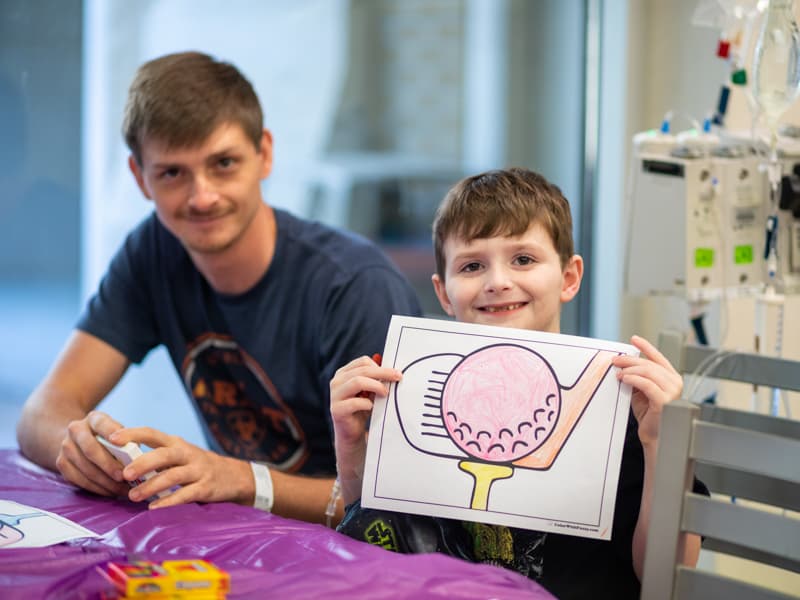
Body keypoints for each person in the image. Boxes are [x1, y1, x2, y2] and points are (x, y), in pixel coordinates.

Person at [16, 51, 421, 525]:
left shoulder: (355, 286)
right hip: (239, 539)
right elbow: (40, 413)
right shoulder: (154, 251)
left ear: (264, 154)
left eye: (223, 163)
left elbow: (395, 502)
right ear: (139, 178)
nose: (202, 196)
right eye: (172, 173)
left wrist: (244, 481)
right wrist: (81, 446)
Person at [329, 167, 706, 598]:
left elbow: (671, 573)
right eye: (472, 266)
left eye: (523, 259)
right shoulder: (413, 399)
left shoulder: (628, 408)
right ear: (444, 293)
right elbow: (380, 535)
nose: (498, 282)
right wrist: (353, 450)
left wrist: (662, 443)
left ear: (569, 277)